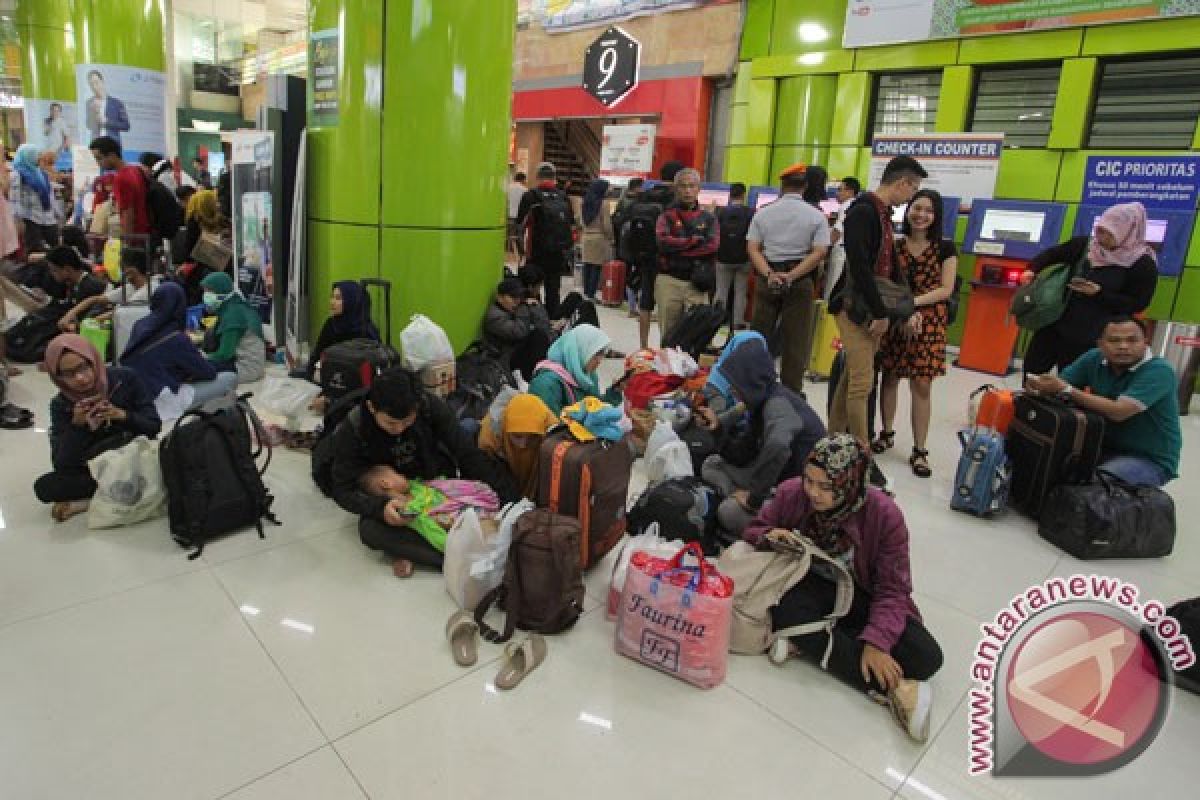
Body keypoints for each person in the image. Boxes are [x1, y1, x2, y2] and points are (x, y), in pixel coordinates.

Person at [743, 434, 943, 742]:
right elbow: (754, 530)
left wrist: (877, 641)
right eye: (809, 480)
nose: (813, 493)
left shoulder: (884, 515)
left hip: (861, 596)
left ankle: (811, 642)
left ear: (850, 482)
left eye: (826, 487)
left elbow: (893, 589)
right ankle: (898, 691)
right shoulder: (791, 494)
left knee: (927, 657)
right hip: (806, 587)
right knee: (786, 612)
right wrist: (772, 534)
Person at [321, 368, 516, 576]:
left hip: (437, 483)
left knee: (479, 485)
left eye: (407, 422)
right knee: (370, 531)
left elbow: (467, 454)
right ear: (371, 407)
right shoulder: (355, 428)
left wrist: (510, 503)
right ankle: (457, 560)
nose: (399, 430)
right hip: (397, 501)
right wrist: (380, 508)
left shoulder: (430, 407)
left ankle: (425, 551)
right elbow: (342, 489)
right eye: (390, 423)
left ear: (417, 406)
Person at [828, 155, 926, 490]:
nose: (911, 197)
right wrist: (882, 314)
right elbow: (859, 267)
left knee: (851, 379)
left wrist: (902, 309)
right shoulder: (864, 212)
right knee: (861, 384)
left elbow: (888, 269)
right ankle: (862, 457)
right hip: (857, 310)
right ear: (902, 183)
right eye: (912, 189)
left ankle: (831, 442)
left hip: (870, 310)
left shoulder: (883, 215)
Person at [1026, 316, 1180, 487]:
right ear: (1100, 344)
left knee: (1095, 487)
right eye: (1114, 340)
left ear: (1146, 342)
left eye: (1132, 340)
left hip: (1148, 459)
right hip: (1100, 447)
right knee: (1040, 462)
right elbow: (1059, 384)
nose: (1123, 346)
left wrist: (1066, 390)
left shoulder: (1159, 371)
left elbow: (1119, 412)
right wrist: (1039, 386)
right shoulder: (1094, 358)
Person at [696, 335, 825, 536]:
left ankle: (759, 511)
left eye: (736, 384)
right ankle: (748, 502)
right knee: (712, 464)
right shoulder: (759, 402)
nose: (732, 390)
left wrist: (754, 498)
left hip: (801, 491)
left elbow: (779, 445)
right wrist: (718, 429)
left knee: (728, 513)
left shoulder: (777, 404)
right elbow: (743, 454)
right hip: (776, 478)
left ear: (751, 381)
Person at [874, 189, 958, 478]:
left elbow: (946, 289)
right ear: (908, 210)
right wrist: (904, 312)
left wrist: (915, 308)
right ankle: (885, 433)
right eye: (916, 208)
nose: (921, 215)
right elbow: (887, 283)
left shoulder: (946, 248)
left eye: (928, 211)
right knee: (890, 377)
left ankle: (920, 450)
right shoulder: (895, 246)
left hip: (930, 321)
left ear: (936, 217)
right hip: (898, 319)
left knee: (922, 385)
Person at [1021, 202, 1158, 375]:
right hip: (1054, 324)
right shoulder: (1085, 246)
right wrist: (1031, 270)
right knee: (1032, 371)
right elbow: (1053, 254)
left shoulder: (1141, 263)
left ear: (1127, 232)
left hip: (1092, 336)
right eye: (1099, 230)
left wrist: (1099, 294)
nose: (1100, 237)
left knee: (1071, 383)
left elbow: (1138, 303)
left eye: (1108, 233)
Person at [35, 334, 161, 522]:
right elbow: (62, 463)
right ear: (57, 377)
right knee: (45, 487)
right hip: (96, 466)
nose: (80, 378)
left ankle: (91, 500)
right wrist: (78, 426)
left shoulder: (125, 379)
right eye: (69, 374)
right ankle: (122, 491)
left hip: (132, 457)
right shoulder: (61, 404)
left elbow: (153, 426)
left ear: (94, 360)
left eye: (83, 367)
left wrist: (122, 415)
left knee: (168, 458)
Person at [747, 164, 831, 394]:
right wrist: (793, 275)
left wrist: (769, 274)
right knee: (796, 341)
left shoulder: (763, 213)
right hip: (800, 280)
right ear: (805, 186)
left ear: (782, 186)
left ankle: (755, 387)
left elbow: (753, 248)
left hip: (768, 278)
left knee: (759, 335)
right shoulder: (816, 217)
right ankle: (791, 393)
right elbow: (820, 252)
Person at [119, 282, 238, 413]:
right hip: (158, 403)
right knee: (229, 377)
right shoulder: (175, 337)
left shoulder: (140, 325)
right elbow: (208, 373)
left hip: (135, 396)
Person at [654, 167, 719, 341]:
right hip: (669, 281)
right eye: (682, 186)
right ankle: (668, 367)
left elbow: (712, 246)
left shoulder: (709, 218)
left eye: (691, 186)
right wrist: (693, 242)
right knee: (668, 334)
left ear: (699, 189)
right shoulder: (665, 216)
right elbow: (662, 242)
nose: (687, 190)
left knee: (697, 334)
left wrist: (679, 250)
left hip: (697, 283)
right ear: (676, 189)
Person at [624, 169, 678, 348]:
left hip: (644, 257)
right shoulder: (673, 199)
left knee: (645, 303)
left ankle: (643, 346)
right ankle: (666, 347)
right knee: (668, 306)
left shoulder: (644, 196)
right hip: (666, 260)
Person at [517, 162, 575, 318]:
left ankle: (535, 320)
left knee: (531, 289)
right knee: (553, 291)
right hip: (557, 252)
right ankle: (552, 322)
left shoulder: (531, 196)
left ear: (537, 177)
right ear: (554, 177)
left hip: (536, 252)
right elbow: (571, 223)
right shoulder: (563, 196)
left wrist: (521, 251)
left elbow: (520, 225)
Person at [477, 392, 559, 500]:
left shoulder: (552, 435)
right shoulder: (490, 438)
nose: (523, 444)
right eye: (517, 436)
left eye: (532, 437)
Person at [57, 247, 159, 333]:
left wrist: (83, 326)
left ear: (131, 271)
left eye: (121, 267)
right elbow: (96, 299)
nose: (120, 271)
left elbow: (115, 314)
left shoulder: (147, 292)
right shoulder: (131, 287)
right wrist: (70, 314)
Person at [527, 323, 618, 415]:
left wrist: (615, 392)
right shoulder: (546, 384)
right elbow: (552, 425)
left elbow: (596, 408)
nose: (600, 360)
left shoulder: (587, 375)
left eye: (602, 353)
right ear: (579, 350)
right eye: (596, 353)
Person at [306, 281, 380, 385]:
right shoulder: (331, 324)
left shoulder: (367, 331)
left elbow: (373, 371)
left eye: (338, 298)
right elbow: (316, 355)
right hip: (329, 382)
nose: (332, 302)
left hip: (358, 389)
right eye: (332, 297)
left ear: (352, 301)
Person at [483, 275, 554, 380]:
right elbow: (519, 332)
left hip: (517, 355)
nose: (517, 301)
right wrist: (523, 308)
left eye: (519, 297)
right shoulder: (494, 317)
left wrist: (536, 307)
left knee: (540, 335)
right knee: (537, 336)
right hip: (506, 360)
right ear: (500, 297)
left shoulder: (510, 309)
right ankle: (538, 377)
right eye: (512, 297)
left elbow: (543, 325)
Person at [199, 272, 265, 384]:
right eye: (205, 291)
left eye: (209, 291)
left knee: (199, 370)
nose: (205, 295)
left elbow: (225, 354)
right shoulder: (233, 306)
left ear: (221, 290)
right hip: (241, 361)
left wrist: (201, 358)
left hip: (246, 369)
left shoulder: (233, 315)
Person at [90, 136, 150, 239]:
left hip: (135, 236)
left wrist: (127, 245)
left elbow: (127, 214)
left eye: (99, 158)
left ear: (112, 155)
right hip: (144, 232)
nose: (98, 163)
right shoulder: (135, 170)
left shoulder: (121, 178)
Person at [714, 182, 754, 331]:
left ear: (730, 194)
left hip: (723, 258)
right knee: (741, 292)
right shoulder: (750, 213)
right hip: (743, 259)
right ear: (743, 195)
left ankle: (717, 321)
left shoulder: (720, 212)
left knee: (721, 291)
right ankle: (737, 322)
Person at [11, 144, 60, 252]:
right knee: (35, 249)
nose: (39, 158)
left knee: (55, 246)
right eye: (36, 155)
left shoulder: (41, 173)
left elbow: (49, 195)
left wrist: (56, 213)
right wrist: (18, 220)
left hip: (47, 217)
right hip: (30, 218)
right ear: (27, 156)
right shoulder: (17, 174)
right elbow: (15, 199)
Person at [827, 177, 861, 302]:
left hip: (840, 251)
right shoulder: (857, 205)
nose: (837, 193)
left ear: (850, 192)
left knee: (832, 287)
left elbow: (837, 231)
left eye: (840, 190)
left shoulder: (847, 205)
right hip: (848, 252)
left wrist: (824, 249)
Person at [579, 178, 614, 300]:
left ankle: (585, 291)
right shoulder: (604, 204)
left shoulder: (584, 202)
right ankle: (591, 294)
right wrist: (611, 237)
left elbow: (581, 221)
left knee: (587, 265)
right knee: (596, 266)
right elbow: (607, 225)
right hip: (598, 237)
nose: (609, 189)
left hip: (586, 236)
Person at [84, 69, 130, 145]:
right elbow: (88, 125)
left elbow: (126, 125)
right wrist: (94, 113)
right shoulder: (89, 102)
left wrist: (107, 121)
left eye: (96, 82)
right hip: (95, 145)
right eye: (91, 84)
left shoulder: (116, 103)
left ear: (102, 82)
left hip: (112, 146)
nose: (94, 87)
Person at [506, 170, 527, 257]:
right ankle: (520, 254)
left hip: (508, 216)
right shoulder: (525, 190)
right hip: (520, 217)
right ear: (522, 180)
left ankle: (508, 253)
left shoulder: (508, 188)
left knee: (507, 235)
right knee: (520, 236)